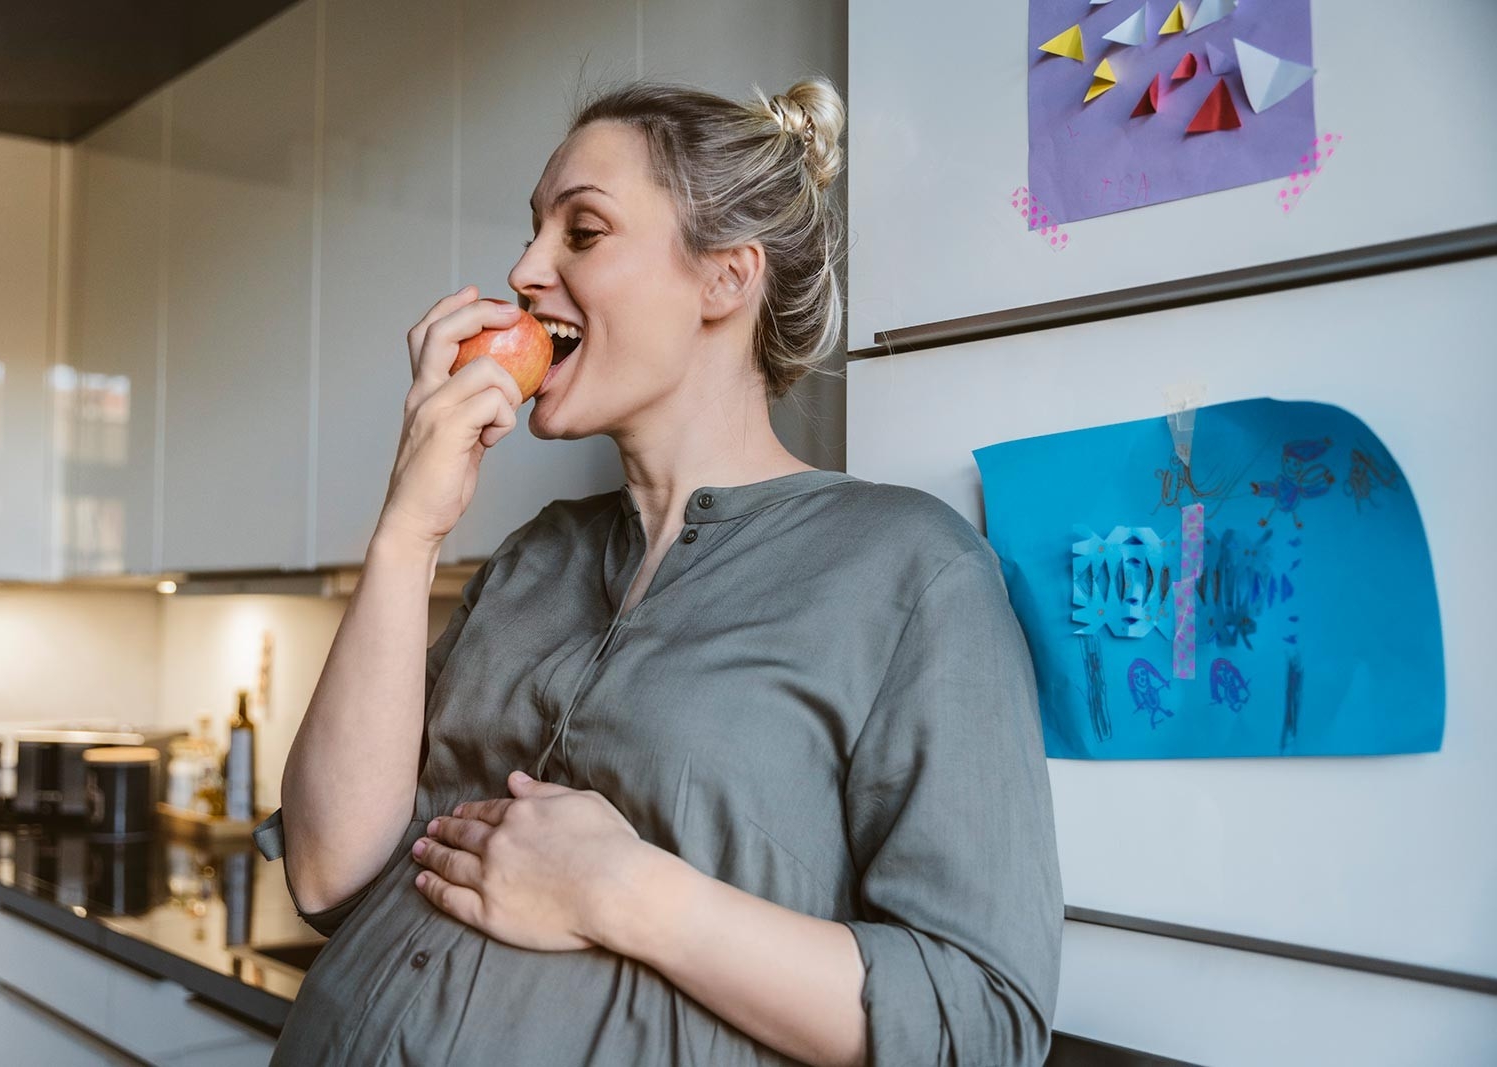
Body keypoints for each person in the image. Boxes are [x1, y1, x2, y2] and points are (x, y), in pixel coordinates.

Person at [255, 76, 1063, 1066]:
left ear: (725, 277)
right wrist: (406, 529)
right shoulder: (534, 555)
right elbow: (327, 869)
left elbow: (975, 1025)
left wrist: (629, 891)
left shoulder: (911, 570)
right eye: (532, 232)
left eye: (581, 233)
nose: (523, 270)